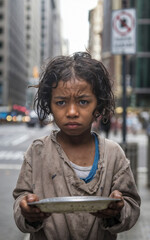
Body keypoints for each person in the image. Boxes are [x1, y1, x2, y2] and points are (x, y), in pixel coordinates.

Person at [13, 52, 140, 240]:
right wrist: (27, 211)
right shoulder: (37, 151)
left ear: (98, 105)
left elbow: (132, 205)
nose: (72, 112)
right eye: (61, 102)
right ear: (49, 105)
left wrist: (117, 212)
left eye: (83, 101)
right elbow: (20, 199)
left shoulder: (114, 154)